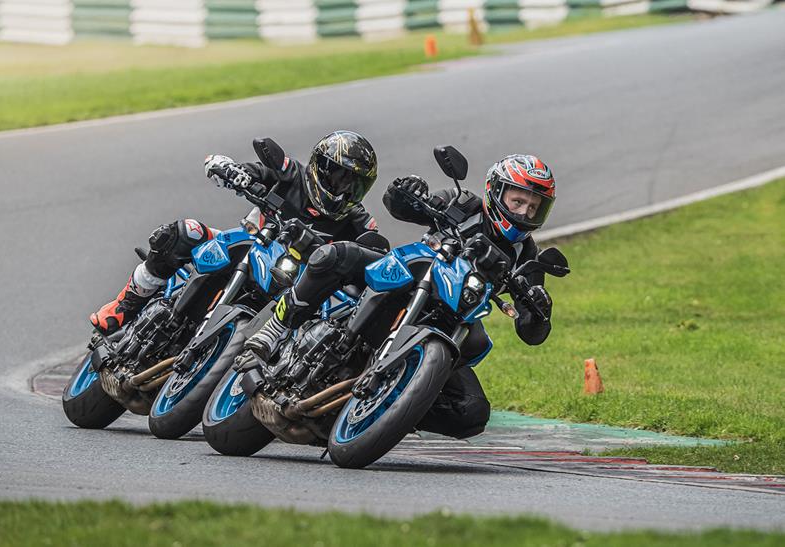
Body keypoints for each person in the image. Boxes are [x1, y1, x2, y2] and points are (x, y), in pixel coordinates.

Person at [89, 130, 381, 336]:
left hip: (288, 282)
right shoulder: (290, 174)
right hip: (245, 245)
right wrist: (232, 171)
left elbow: (374, 254)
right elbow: (244, 169)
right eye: (339, 177)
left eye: (354, 186)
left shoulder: (358, 221)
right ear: (320, 166)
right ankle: (124, 306)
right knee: (184, 232)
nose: (343, 190)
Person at [380, 153, 557, 439]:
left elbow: (530, 332)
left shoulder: (526, 255)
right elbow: (399, 207)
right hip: (410, 282)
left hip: (452, 322)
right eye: (518, 201)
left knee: (471, 412)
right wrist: (406, 190)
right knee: (349, 256)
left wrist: (541, 308)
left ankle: (392, 412)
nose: (524, 213)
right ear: (496, 192)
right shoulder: (462, 204)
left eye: (534, 208)